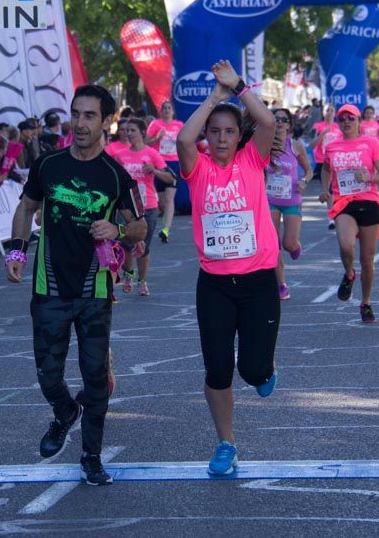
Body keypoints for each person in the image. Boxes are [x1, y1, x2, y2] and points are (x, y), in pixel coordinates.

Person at [4, 84, 146, 486]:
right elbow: (26, 207)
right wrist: (16, 253)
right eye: (75, 114)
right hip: (48, 287)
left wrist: (116, 228)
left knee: (95, 376)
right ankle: (65, 411)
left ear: (106, 122)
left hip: (94, 291)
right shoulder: (48, 165)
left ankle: (91, 455)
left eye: (89, 116)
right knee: (48, 376)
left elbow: (139, 227)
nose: (79, 123)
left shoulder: (115, 175)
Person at [177, 59, 279, 477]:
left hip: (257, 282)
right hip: (215, 285)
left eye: (229, 132)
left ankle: (264, 369)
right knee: (218, 368)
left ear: (240, 137)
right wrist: (213, 99)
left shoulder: (252, 162)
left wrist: (237, 87)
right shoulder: (197, 169)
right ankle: (226, 443)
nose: (220, 138)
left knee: (252, 370)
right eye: (215, 132)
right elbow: (184, 137)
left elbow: (267, 119)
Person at [319, 103, 379, 323]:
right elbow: (326, 169)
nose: (347, 122)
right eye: (342, 119)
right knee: (346, 245)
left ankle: (366, 302)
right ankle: (350, 274)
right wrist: (324, 190)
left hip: (368, 201)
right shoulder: (332, 146)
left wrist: (368, 178)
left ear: (359, 121)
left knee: (367, 259)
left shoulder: (371, 143)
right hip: (344, 203)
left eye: (351, 118)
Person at [112, 116, 172, 297]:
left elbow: (170, 178)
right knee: (127, 244)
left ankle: (142, 281)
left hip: (148, 206)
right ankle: (129, 275)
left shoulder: (151, 154)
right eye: (126, 130)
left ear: (142, 133)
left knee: (143, 246)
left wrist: (153, 170)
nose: (128, 134)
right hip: (126, 207)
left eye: (132, 130)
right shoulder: (119, 155)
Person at [266, 108, 312, 301]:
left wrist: (304, 181)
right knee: (273, 244)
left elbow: (308, 171)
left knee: (288, 243)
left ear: (289, 124)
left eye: (284, 119)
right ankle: (281, 284)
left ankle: (295, 246)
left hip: (292, 199)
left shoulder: (296, 146)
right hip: (270, 201)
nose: (280, 122)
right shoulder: (264, 145)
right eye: (276, 119)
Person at [146, 100, 183, 243]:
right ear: (161, 111)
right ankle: (164, 226)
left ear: (173, 111)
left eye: (169, 108)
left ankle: (165, 230)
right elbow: (145, 143)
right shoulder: (155, 125)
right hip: (158, 163)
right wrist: (156, 137)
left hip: (173, 163)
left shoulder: (179, 125)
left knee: (169, 199)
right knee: (162, 201)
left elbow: (185, 141)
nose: (167, 110)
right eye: (164, 108)